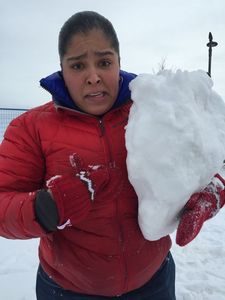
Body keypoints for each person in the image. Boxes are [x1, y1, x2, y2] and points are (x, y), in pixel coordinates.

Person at [0, 11, 224, 300]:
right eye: (78, 65)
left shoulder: (157, 111)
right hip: (68, 290)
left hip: (153, 283)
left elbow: (209, 158)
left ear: (118, 63)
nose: (93, 77)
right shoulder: (31, 128)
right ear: (62, 68)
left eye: (104, 62)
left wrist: (213, 190)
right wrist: (47, 206)